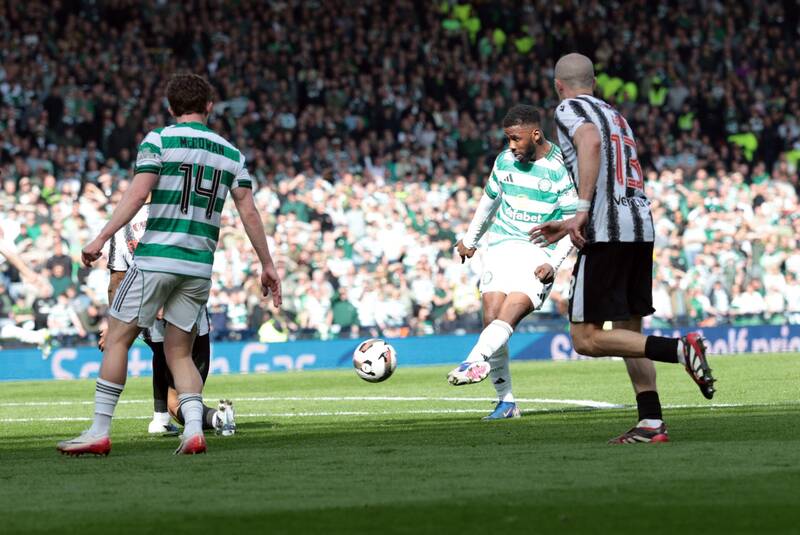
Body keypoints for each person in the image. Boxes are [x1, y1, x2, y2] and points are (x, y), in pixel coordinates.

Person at [58, 73, 281, 456]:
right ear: (209, 106)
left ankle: (98, 430)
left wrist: (100, 237)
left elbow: (138, 193)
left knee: (117, 339)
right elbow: (248, 209)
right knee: (179, 352)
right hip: (198, 267)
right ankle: (193, 430)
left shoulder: (159, 140)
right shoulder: (230, 153)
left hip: (156, 258)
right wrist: (268, 264)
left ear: (170, 107)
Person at [530, 53, 715, 444]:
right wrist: (569, 223)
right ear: (594, 82)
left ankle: (681, 349)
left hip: (607, 232)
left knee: (586, 338)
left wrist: (579, 212)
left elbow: (589, 143)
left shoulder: (568, 108)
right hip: (638, 226)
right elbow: (613, 175)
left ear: (558, 85)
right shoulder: (617, 116)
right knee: (628, 329)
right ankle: (651, 421)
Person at [447, 105, 576, 419]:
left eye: (516, 139)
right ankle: (506, 403)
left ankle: (474, 359)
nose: (511, 146)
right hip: (502, 245)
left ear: (535, 134)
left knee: (511, 312)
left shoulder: (559, 169)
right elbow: (488, 202)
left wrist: (556, 264)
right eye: (508, 139)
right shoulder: (504, 161)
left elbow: (574, 223)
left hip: (539, 252)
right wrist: (470, 240)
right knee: (491, 319)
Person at [100, 201, 235, 436]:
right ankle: (216, 418)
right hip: (190, 310)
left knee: (160, 356)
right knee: (182, 394)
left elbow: (116, 280)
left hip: (149, 313)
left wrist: (114, 323)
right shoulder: (183, 212)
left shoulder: (123, 223)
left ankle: (146, 420)